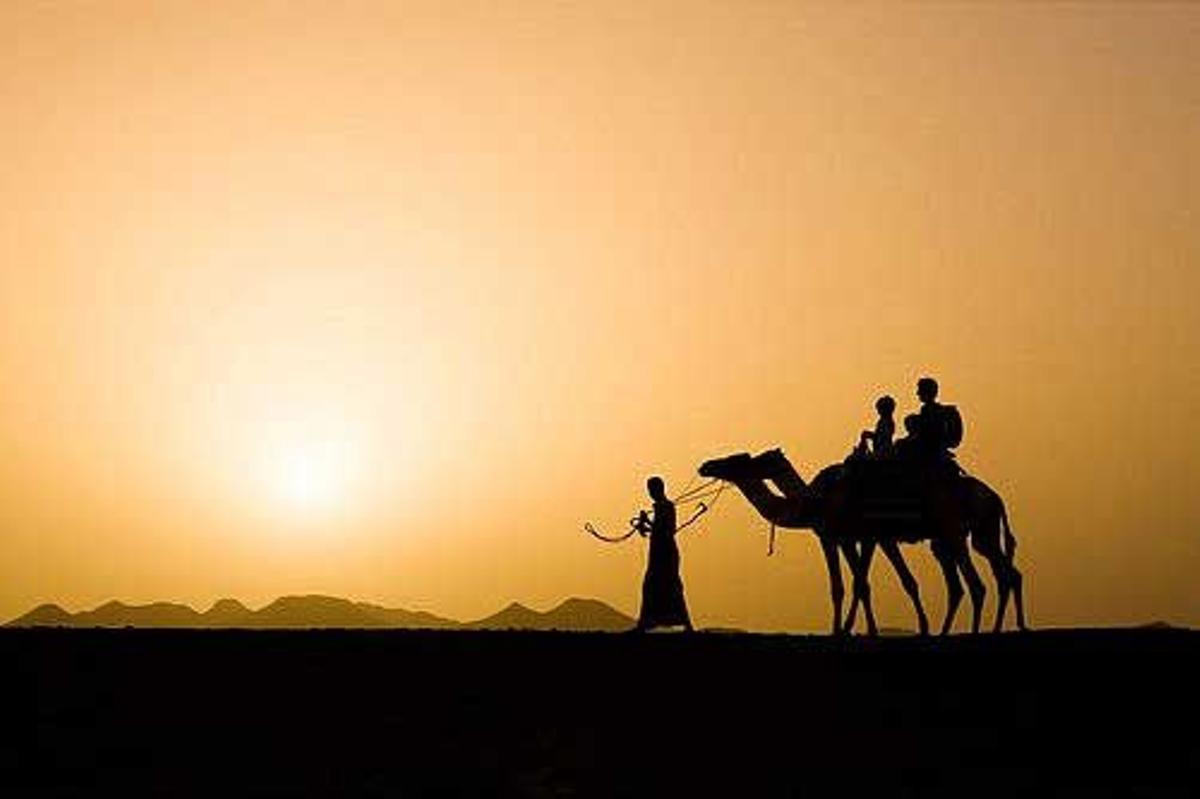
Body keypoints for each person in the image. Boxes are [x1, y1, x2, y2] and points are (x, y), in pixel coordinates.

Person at [634, 476, 695, 633]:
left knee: (670, 586)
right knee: (654, 587)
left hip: (665, 554)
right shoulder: (661, 507)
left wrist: (647, 522)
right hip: (659, 553)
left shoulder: (667, 507)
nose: (651, 493)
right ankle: (646, 624)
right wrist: (645, 524)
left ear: (659, 489)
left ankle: (686, 625)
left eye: (652, 489)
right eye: (649, 490)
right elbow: (657, 530)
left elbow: (667, 530)